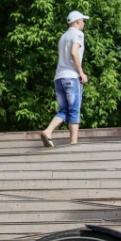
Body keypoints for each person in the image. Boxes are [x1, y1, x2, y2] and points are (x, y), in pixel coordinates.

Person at [40, 11, 89, 148]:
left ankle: (48, 131)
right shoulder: (78, 34)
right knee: (74, 110)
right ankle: (73, 143)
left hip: (59, 78)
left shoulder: (63, 36)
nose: (84, 23)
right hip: (71, 77)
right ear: (77, 21)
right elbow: (74, 52)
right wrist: (81, 73)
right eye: (83, 20)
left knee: (64, 110)